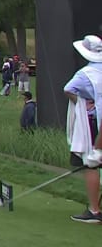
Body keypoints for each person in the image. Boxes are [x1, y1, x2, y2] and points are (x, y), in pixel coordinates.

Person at [63, 34, 102, 224]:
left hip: (95, 123)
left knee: (92, 164)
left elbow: (68, 89)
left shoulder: (84, 74)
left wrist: (82, 102)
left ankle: (94, 211)